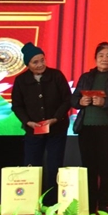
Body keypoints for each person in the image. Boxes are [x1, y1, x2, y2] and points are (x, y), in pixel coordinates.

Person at [10, 42, 71, 206]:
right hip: (33, 131)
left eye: (42, 60)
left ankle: (52, 202)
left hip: (56, 129)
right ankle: (30, 201)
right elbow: (17, 105)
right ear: (28, 64)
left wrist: (56, 118)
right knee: (31, 165)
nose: (40, 64)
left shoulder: (56, 76)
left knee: (54, 165)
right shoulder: (21, 80)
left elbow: (67, 99)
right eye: (35, 62)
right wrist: (27, 121)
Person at [71, 42, 108, 213]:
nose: (105, 59)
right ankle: (89, 205)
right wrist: (80, 101)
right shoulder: (86, 77)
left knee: (107, 167)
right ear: (95, 58)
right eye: (101, 56)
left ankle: (104, 204)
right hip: (86, 128)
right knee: (89, 167)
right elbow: (73, 99)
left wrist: (105, 102)